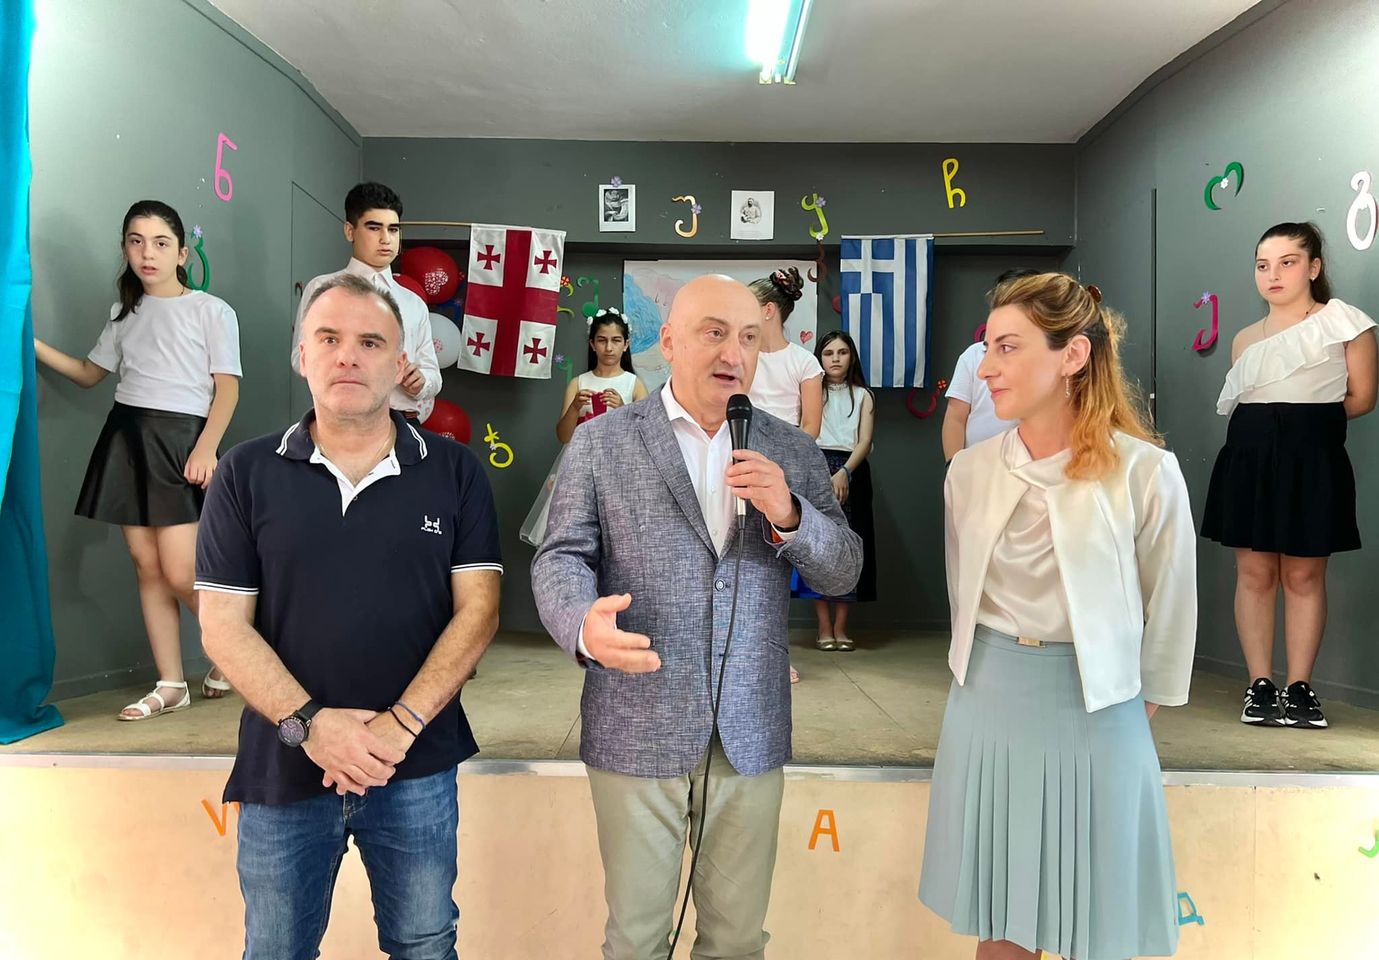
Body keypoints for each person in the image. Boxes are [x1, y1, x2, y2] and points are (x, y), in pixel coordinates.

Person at [531, 274, 862, 960]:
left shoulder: (792, 450)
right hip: (636, 721)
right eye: (714, 333)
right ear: (669, 342)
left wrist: (790, 515)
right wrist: (581, 623)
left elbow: (843, 570)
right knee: (635, 939)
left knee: (737, 940)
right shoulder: (601, 442)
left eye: (749, 338)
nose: (733, 353)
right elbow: (561, 557)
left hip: (749, 730)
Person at [196, 273, 502, 960]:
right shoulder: (244, 474)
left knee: (425, 944)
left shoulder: (454, 472)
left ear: (400, 364)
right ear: (301, 354)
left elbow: (479, 612)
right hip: (282, 769)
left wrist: (400, 727)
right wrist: (311, 726)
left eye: (370, 342)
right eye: (328, 338)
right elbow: (222, 625)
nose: (347, 357)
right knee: (275, 950)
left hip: (414, 765)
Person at [919, 273, 1196, 960]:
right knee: (1000, 922)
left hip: (1100, 710)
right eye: (988, 348)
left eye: (1007, 347)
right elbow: (963, 595)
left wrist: (1125, 703)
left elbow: (1171, 610)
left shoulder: (1145, 472)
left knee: (1099, 927)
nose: (986, 368)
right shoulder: (968, 473)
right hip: (987, 704)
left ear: (1071, 355)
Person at [34, 199, 241, 720]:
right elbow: (88, 373)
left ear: (182, 253)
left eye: (161, 243)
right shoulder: (123, 312)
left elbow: (228, 389)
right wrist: (26, 342)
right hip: (126, 439)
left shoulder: (211, 310)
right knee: (147, 566)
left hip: (182, 442)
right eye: (136, 241)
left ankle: (241, 649)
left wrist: (206, 447)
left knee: (180, 570)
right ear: (125, 248)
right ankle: (171, 683)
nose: (148, 253)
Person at [1201, 222, 1376, 729]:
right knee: (1255, 574)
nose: (1272, 274)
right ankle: (1259, 685)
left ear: (1313, 268)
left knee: (1304, 575)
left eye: (1287, 262)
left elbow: (1362, 398)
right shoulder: (1243, 339)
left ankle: (1300, 687)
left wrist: (1303, 426)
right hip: (1248, 456)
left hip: (1312, 458)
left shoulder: (1347, 324)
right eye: (1263, 265)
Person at [290, 181, 441, 423]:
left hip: (404, 421)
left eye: (393, 230)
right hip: (340, 419)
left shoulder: (413, 303)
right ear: (350, 231)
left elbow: (433, 375)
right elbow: (300, 359)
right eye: (374, 228)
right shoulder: (323, 290)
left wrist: (421, 382)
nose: (386, 239)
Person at [748, 265, 825, 683]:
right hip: (741, 466)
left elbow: (810, 426)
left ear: (768, 310)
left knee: (778, 568)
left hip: (785, 475)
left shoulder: (803, 362)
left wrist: (781, 463)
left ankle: (778, 652)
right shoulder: (742, 358)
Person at [520, 307, 648, 546]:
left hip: (619, 465)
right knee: (575, 529)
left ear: (626, 345)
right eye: (602, 340)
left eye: (616, 340)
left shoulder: (634, 384)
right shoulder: (578, 383)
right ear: (592, 344)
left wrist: (622, 408)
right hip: (580, 463)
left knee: (616, 534)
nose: (608, 348)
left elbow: (646, 437)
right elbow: (563, 436)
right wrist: (575, 408)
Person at [799, 330, 877, 651]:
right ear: (819, 357)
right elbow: (804, 432)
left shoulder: (863, 395)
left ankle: (842, 627)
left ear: (851, 357)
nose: (835, 359)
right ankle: (823, 626)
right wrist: (822, 474)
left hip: (852, 470)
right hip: (816, 466)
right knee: (819, 547)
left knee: (849, 546)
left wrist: (844, 472)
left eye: (842, 353)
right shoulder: (811, 392)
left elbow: (865, 441)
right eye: (828, 353)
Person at [940, 268, 1037, 461]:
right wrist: (954, 466)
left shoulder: (1046, 359)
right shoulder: (972, 356)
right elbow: (955, 418)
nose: (986, 372)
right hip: (977, 465)